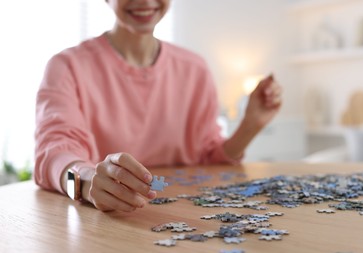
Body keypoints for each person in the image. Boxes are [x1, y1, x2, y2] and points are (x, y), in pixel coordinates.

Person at [34, 0, 282, 212]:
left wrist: (250, 125)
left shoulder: (195, 68)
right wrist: (86, 182)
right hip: (102, 224)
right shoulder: (66, 66)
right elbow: (53, 153)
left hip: (186, 216)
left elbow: (208, 157)